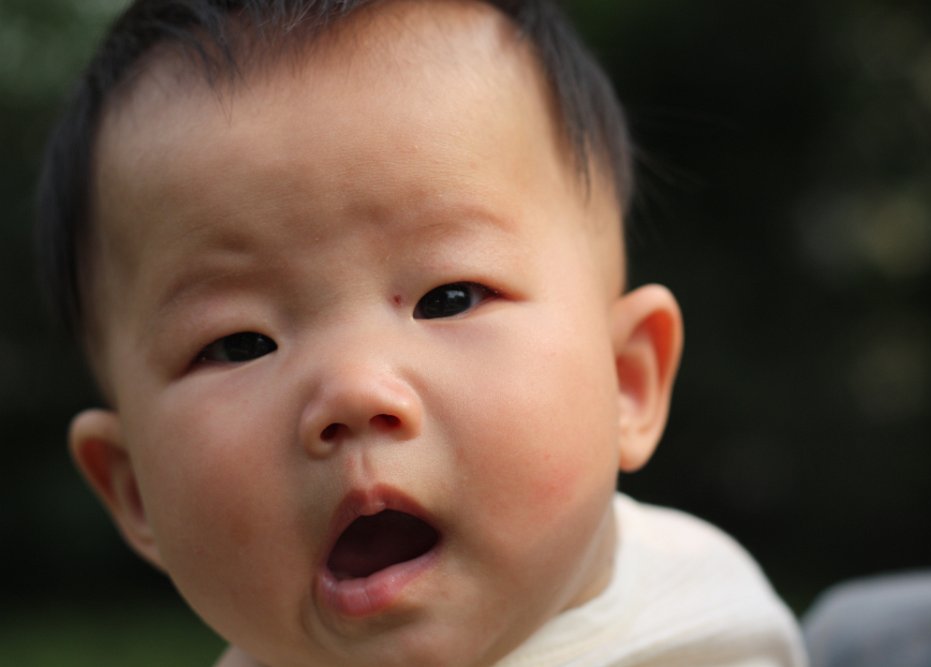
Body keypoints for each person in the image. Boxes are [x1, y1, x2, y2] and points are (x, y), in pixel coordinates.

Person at [36, 1, 806, 665]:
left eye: (449, 298)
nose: (353, 390)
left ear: (627, 382)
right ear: (134, 492)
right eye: (239, 343)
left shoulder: (699, 623)